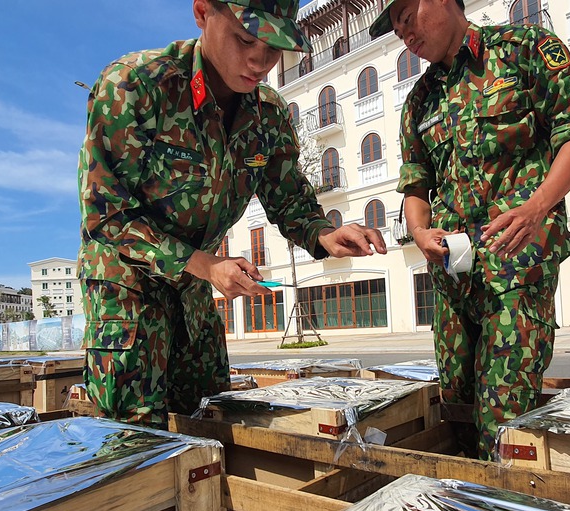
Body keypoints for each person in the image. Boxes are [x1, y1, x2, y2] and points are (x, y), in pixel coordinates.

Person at [79, 0, 387, 427]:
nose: (260, 62)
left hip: (195, 290)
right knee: (135, 434)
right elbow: (107, 215)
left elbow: (289, 198)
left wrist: (323, 234)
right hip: (127, 287)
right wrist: (206, 265)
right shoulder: (135, 86)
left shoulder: (268, 114)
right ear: (203, 12)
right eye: (245, 40)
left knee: (209, 416)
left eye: (274, 47)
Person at [371, 0, 570, 459]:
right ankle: (468, 500)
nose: (405, 34)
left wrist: (537, 207)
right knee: (456, 406)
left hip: (514, 269)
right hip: (453, 275)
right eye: (397, 29)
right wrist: (419, 232)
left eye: (407, 17)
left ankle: (507, 503)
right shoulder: (420, 100)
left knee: (503, 414)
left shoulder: (524, 50)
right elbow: (416, 182)